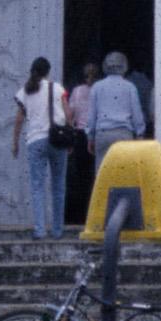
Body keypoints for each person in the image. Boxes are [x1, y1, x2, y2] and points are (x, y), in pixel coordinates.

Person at [10, 56, 70, 241]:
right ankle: (58, 231)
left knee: (37, 186)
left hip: (35, 141)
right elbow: (67, 114)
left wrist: (15, 142)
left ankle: (40, 230)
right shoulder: (57, 88)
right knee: (58, 186)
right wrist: (70, 138)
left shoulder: (25, 91)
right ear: (48, 72)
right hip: (57, 140)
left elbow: (19, 118)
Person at [87, 50, 145, 175]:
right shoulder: (130, 87)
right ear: (124, 66)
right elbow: (137, 113)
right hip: (124, 134)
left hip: (103, 134)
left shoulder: (97, 87)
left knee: (102, 174)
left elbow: (91, 115)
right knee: (124, 174)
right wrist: (140, 133)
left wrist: (90, 137)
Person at [64, 57, 100, 228]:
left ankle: (82, 216)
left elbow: (70, 115)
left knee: (81, 178)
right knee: (96, 177)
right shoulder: (100, 90)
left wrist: (70, 137)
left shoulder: (77, 91)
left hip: (80, 136)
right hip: (96, 135)